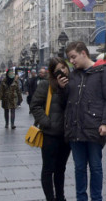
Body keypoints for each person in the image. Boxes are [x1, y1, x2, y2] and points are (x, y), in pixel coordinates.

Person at [58, 41, 106, 201]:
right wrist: (61, 89)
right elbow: (65, 102)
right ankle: (81, 198)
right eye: (70, 58)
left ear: (83, 53)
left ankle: (97, 198)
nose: (72, 61)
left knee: (95, 167)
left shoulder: (103, 72)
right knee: (79, 168)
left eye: (73, 57)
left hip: (94, 128)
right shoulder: (73, 75)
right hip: (75, 129)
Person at [30, 57, 71, 201]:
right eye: (59, 68)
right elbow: (34, 105)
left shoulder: (71, 85)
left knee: (61, 169)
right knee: (48, 169)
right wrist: (46, 122)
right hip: (50, 134)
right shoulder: (45, 85)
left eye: (64, 67)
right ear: (53, 72)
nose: (63, 70)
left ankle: (60, 197)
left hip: (66, 134)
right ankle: (50, 198)